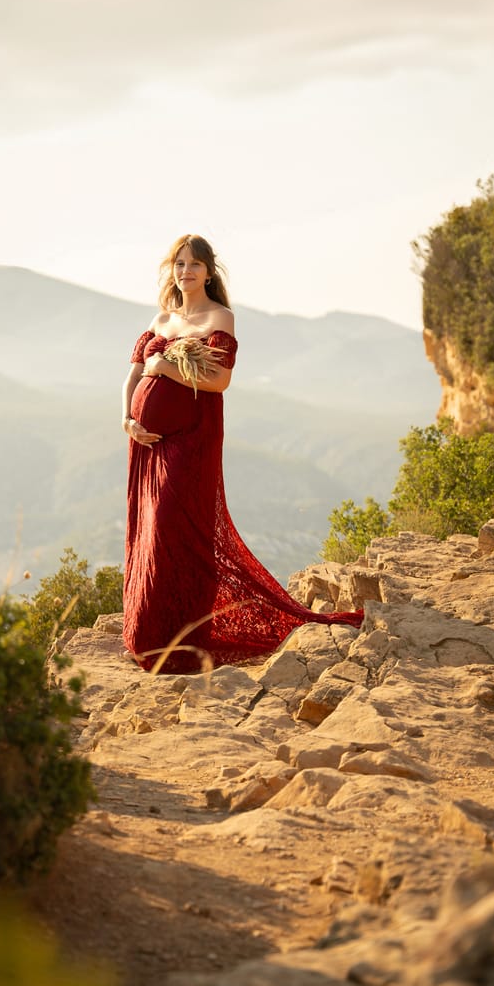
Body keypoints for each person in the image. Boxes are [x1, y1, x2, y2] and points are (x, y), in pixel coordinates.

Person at [121, 233, 363, 674]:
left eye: (194, 265)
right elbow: (132, 374)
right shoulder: (161, 319)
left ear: (209, 273)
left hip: (190, 441)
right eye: (179, 264)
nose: (186, 271)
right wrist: (128, 418)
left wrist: (163, 367)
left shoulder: (220, 317)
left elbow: (217, 381)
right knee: (152, 529)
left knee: (177, 528)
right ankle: (148, 632)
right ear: (171, 270)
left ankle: (182, 636)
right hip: (146, 445)